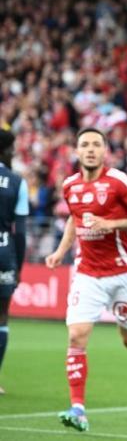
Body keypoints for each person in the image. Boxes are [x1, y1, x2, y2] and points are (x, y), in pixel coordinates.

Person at [45, 127, 127, 432]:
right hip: (87, 274)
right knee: (76, 336)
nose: (91, 149)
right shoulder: (69, 186)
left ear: (105, 151)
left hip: (121, 273)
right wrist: (59, 252)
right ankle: (78, 409)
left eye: (97, 144)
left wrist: (111, 224)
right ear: (77, 152)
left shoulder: (118, 181)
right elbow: (74, 218)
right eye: (85, 144)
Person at [0, 129, 29, 395]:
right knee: (2, 316)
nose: (14, 153)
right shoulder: (17, 182)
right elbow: (20, 231)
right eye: (12, 148)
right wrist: (19, 267)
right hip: (3, 250)